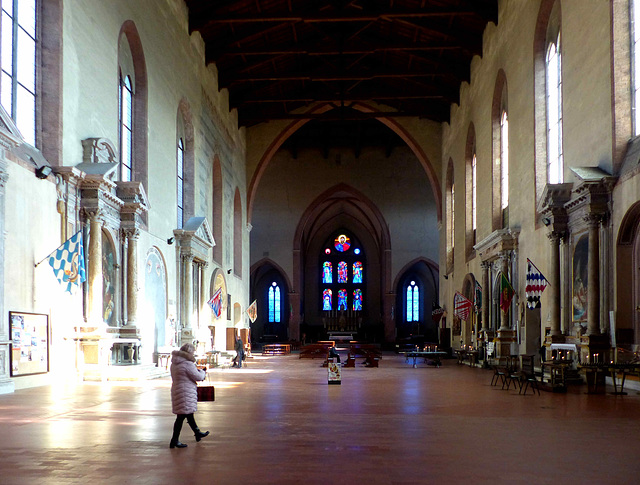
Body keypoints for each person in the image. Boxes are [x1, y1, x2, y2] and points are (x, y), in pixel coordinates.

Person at [169, 343, 210, 449]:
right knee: (181, 416)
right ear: (189, 352)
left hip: (177, 389)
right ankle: (174, 440)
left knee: (187, 414)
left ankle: (197, 433)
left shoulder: (174, 363)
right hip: (186, 391)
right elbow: (198, 376)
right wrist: (202, 372)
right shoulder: (187, 363)